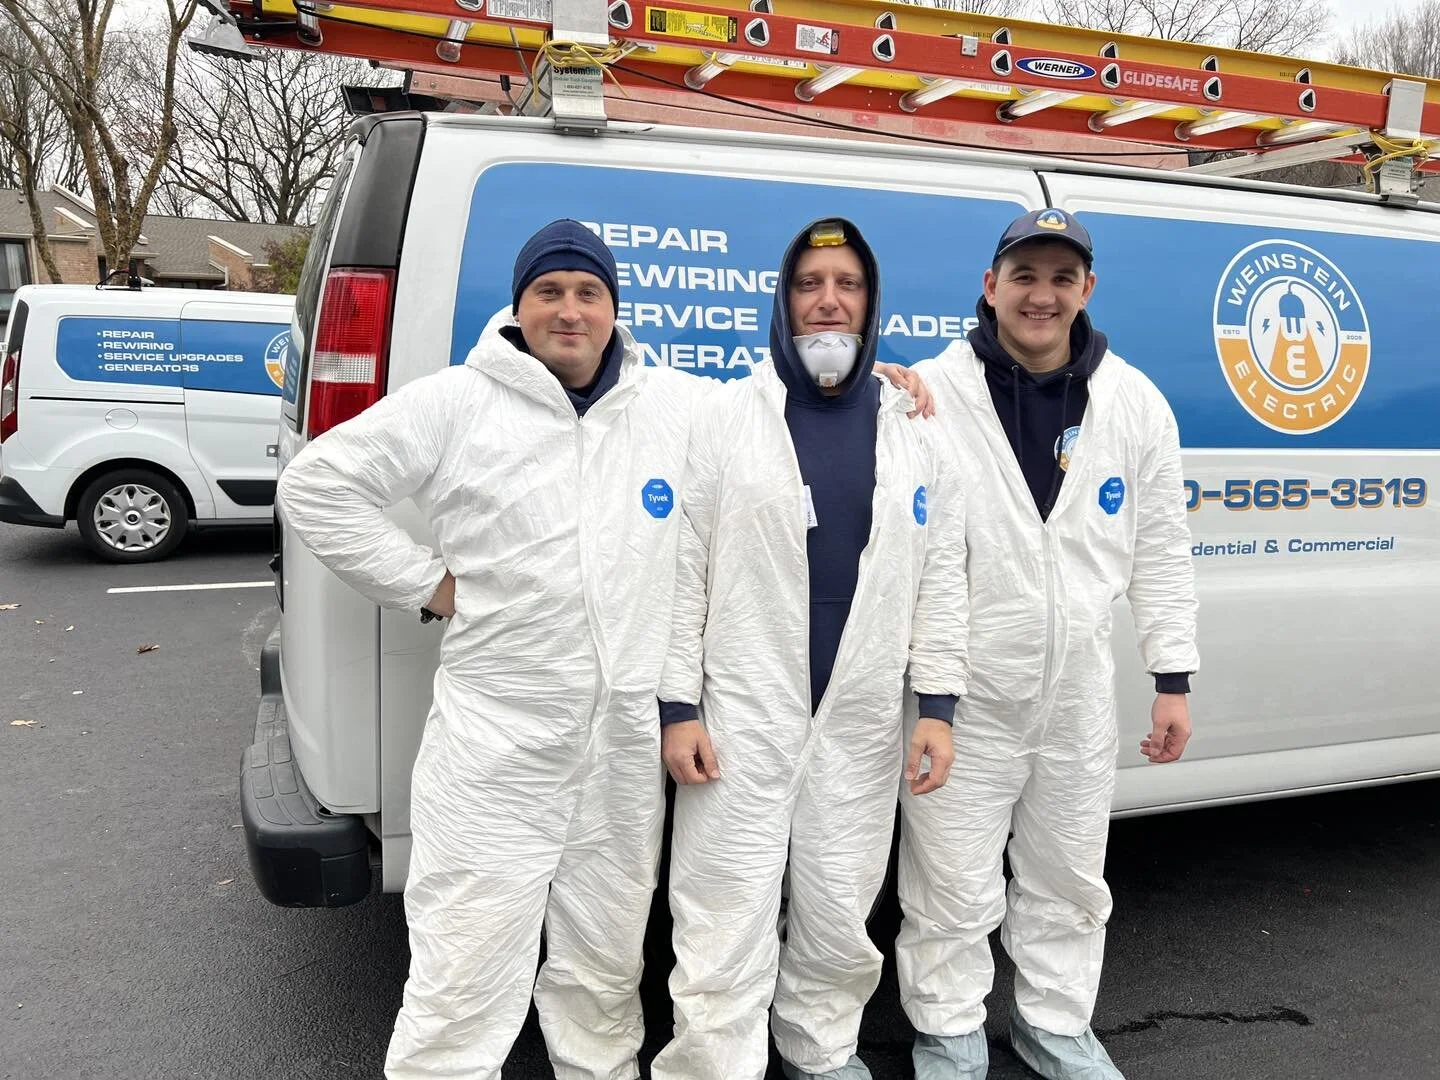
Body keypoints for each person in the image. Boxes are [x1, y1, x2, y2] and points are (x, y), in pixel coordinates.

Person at [277, 219, 708, 1080]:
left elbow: (777, 416)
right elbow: (316, 484)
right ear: (519, 307)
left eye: (589, 292)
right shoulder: (458, 403)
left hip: (619, 749)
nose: (571, 310)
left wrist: (888, 388)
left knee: (605, 966)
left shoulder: (666, 405)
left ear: (615, 307)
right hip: (496, 744)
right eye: (549, 291)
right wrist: (425, 584)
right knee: (462, 973)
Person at [650, 218, 969, 1080]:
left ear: (871, 304)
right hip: (741, 711)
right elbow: (685, 569)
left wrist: (936, 707)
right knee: (722, 911)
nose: (829, 299)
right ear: (783, 300)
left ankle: (820, 1048)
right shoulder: (725, 417)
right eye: (809, 282)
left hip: (861, 716)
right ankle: (715, 1066)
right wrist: (678, 708)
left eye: (848, 284)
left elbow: (942, 576)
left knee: (838, 906)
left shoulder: (914, 427)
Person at [898, 208, 1199, 1080]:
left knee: (1069, 878)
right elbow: (913, 550)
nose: (1042, 294)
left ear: (1087, 290)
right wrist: (937, 698)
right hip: (964, 696)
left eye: (1062, 278)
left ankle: (1056, 1023)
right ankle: (949, 1030)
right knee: (950, 882)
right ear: (990, 287)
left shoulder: (1133, 402)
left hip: (1075, 694)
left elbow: (1162, 548)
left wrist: (1171, 677)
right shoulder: (931, 392)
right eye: (1024, 275)